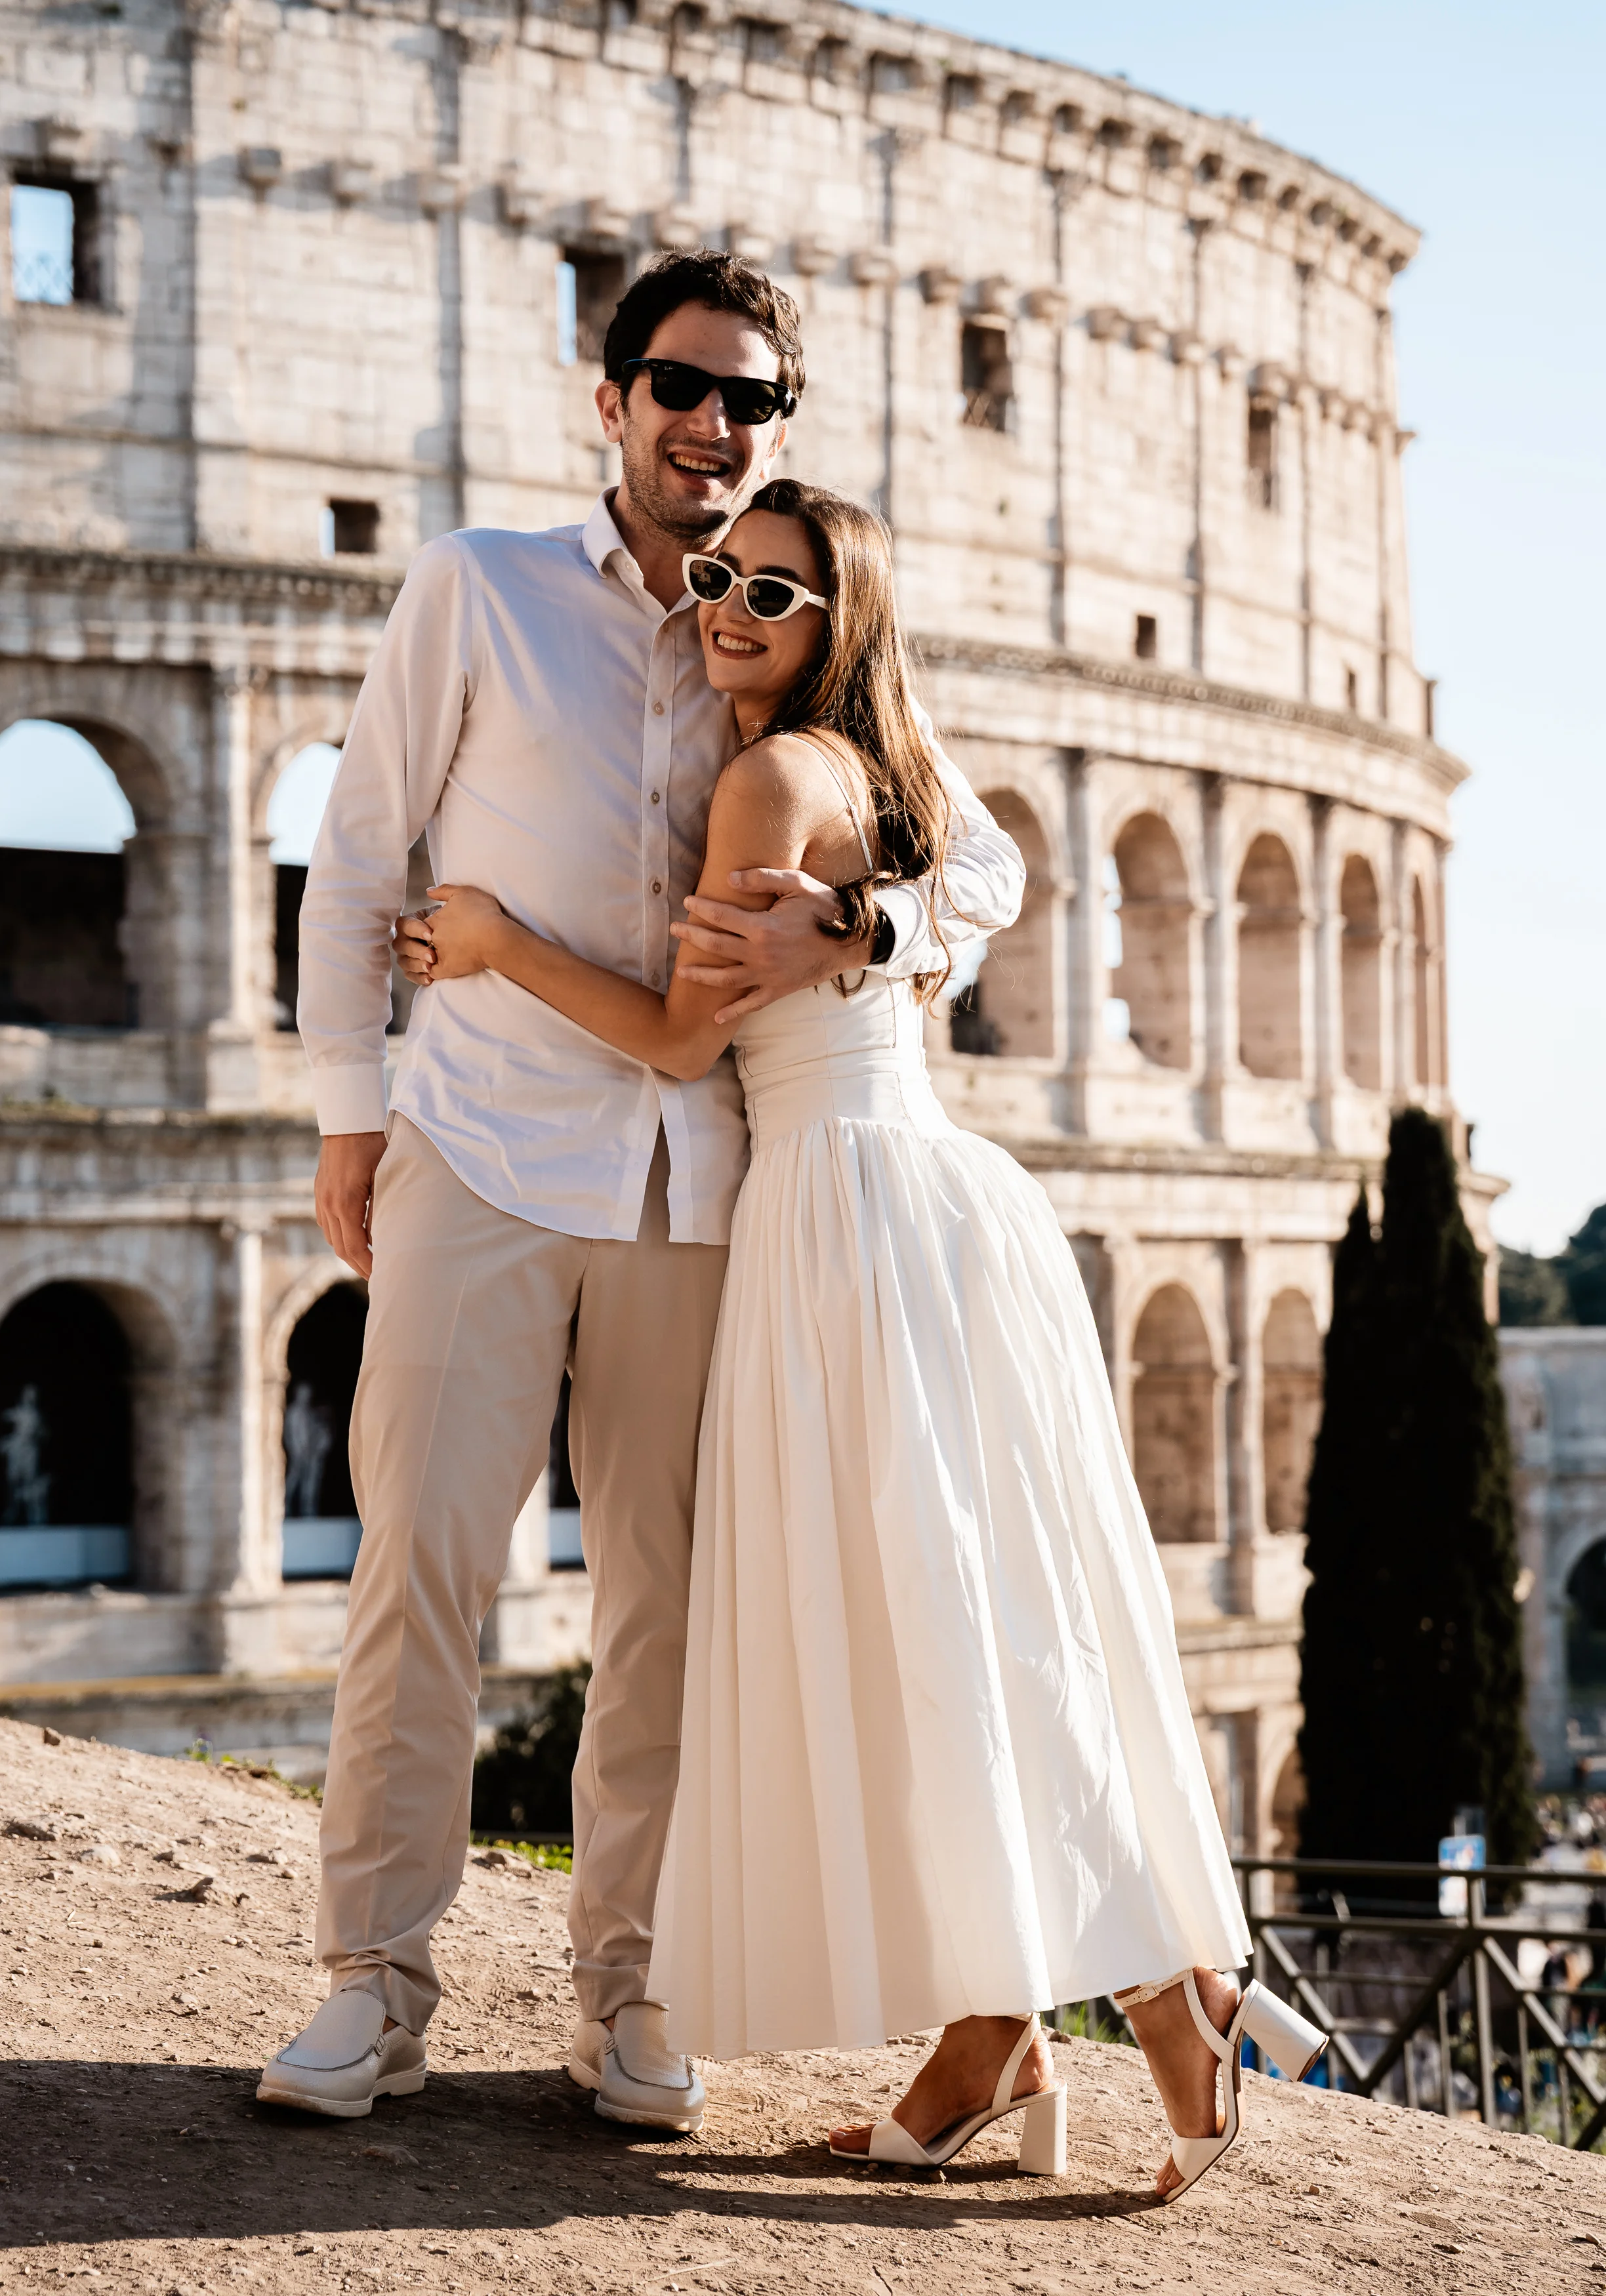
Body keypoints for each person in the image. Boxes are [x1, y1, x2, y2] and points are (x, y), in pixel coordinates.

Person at [418, 478, 1329, 2203]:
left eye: (780, 587)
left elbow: (683, 1050)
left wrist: (493, 942)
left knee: (926, 1631)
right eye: (716, 576)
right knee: (955, 1621)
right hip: (925, 1199)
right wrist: (872, 922)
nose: (733, 605)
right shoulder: (888, 767)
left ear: (843, 619)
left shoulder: (772, 774)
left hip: (845, 1219)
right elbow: (980, 873)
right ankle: (994, 2037)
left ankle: (1168, 1999)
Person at [255, 251, 1023, 2135]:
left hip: (705, 1191)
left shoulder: (791, 621)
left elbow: (984, 858)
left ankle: (634, 1999)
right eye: (682, 385)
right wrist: (351, 1113)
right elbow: (358, 849)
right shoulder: (483, 589)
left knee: (669, 1609)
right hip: (492, 1147)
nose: (715, 424)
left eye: (753, 399)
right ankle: (375, 1981)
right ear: (611, 399)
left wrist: (876, 914)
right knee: (420, 1569)